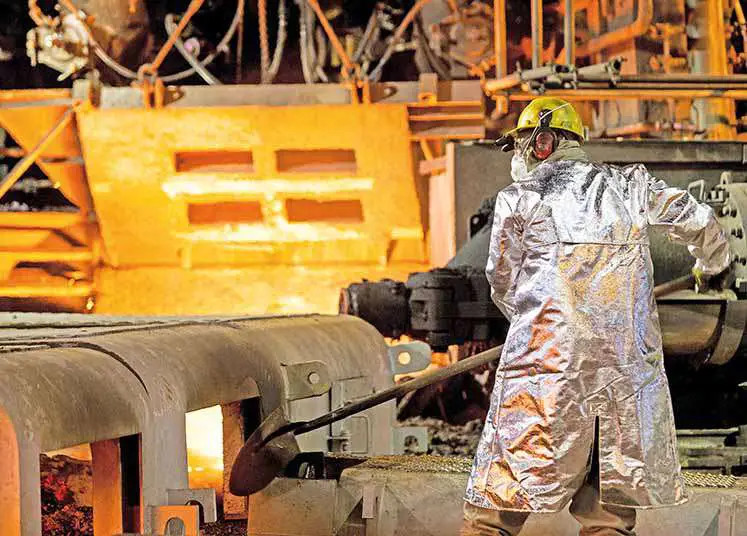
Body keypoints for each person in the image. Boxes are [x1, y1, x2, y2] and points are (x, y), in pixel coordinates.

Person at [462, 97, 732, 535]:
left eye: (523, 144)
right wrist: (711, 264)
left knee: (500, 501)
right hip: (622, 377)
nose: (520, 155)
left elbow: (502, 283)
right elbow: (699, 219)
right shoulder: (631, 187)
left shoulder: (519, 199)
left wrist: (538, 324)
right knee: (608, 513)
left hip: (547, 371)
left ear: (544, 142)